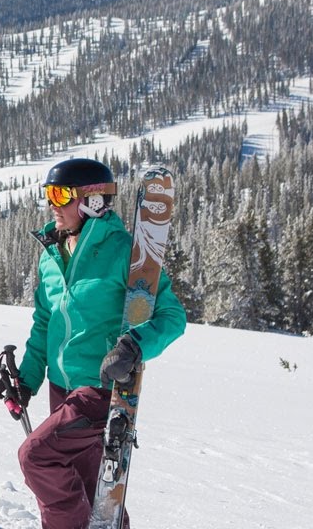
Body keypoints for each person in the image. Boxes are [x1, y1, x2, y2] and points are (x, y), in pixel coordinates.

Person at [15, 158, 186, 529]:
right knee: (96, 490)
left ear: (93, 201)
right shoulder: (51, 255)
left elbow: (172, 318)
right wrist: (27, 380)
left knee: (37, 457)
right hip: (62, 388)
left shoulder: (126, 252)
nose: (52, 204)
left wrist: (134, 345)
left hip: (101, 390)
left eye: (60, 194)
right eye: (48, 194)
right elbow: (45, 323)